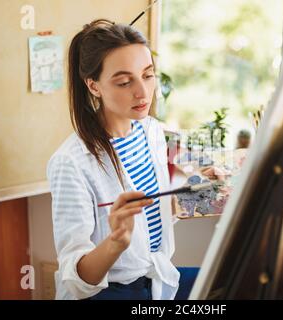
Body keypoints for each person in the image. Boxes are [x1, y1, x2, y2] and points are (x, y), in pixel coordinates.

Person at [47, 19, 202, 300]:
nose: (142, 92)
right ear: (93, 86)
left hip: (155, 275)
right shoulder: (70, 162)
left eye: (148, 75)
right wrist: (116, 242)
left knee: (234, 280)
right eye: (124, 81)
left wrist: (201, 184)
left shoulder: (151, 131)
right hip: (108, 291)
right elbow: (76, 279)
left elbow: (157, 211)